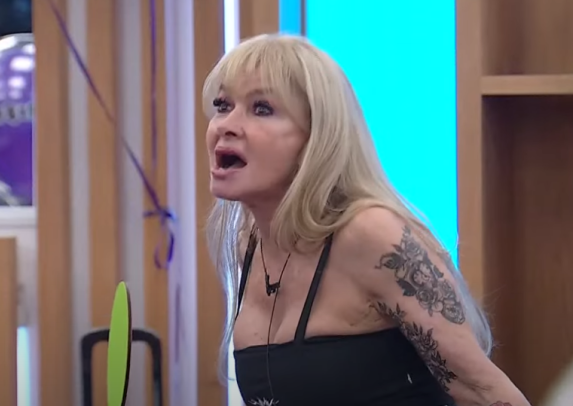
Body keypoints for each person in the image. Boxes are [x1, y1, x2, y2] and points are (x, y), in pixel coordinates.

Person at [204, 33, 530, 406]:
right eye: (222, 105)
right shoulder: (250, 245)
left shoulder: (372, 235)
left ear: (317, 139)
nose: (226, 124)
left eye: (262, 108)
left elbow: (485, 392)